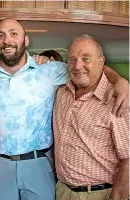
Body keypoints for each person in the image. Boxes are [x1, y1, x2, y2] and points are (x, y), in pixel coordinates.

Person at [0, 18, 129, 200]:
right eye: (1, 35)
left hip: (38, 164)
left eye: (14, 34)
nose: (7, 40)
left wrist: (120, 80)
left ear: (26, 41)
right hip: (0, 164)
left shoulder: (50, 71)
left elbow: (89, 68)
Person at [53, 35, 129, 200]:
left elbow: (128, 157)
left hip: (98, 194)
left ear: (101, 62)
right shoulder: (61, 92)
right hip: (62, 191)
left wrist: (117, 197)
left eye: (86, 59)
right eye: (72, 59)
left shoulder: (117, 100)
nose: (78, 65)